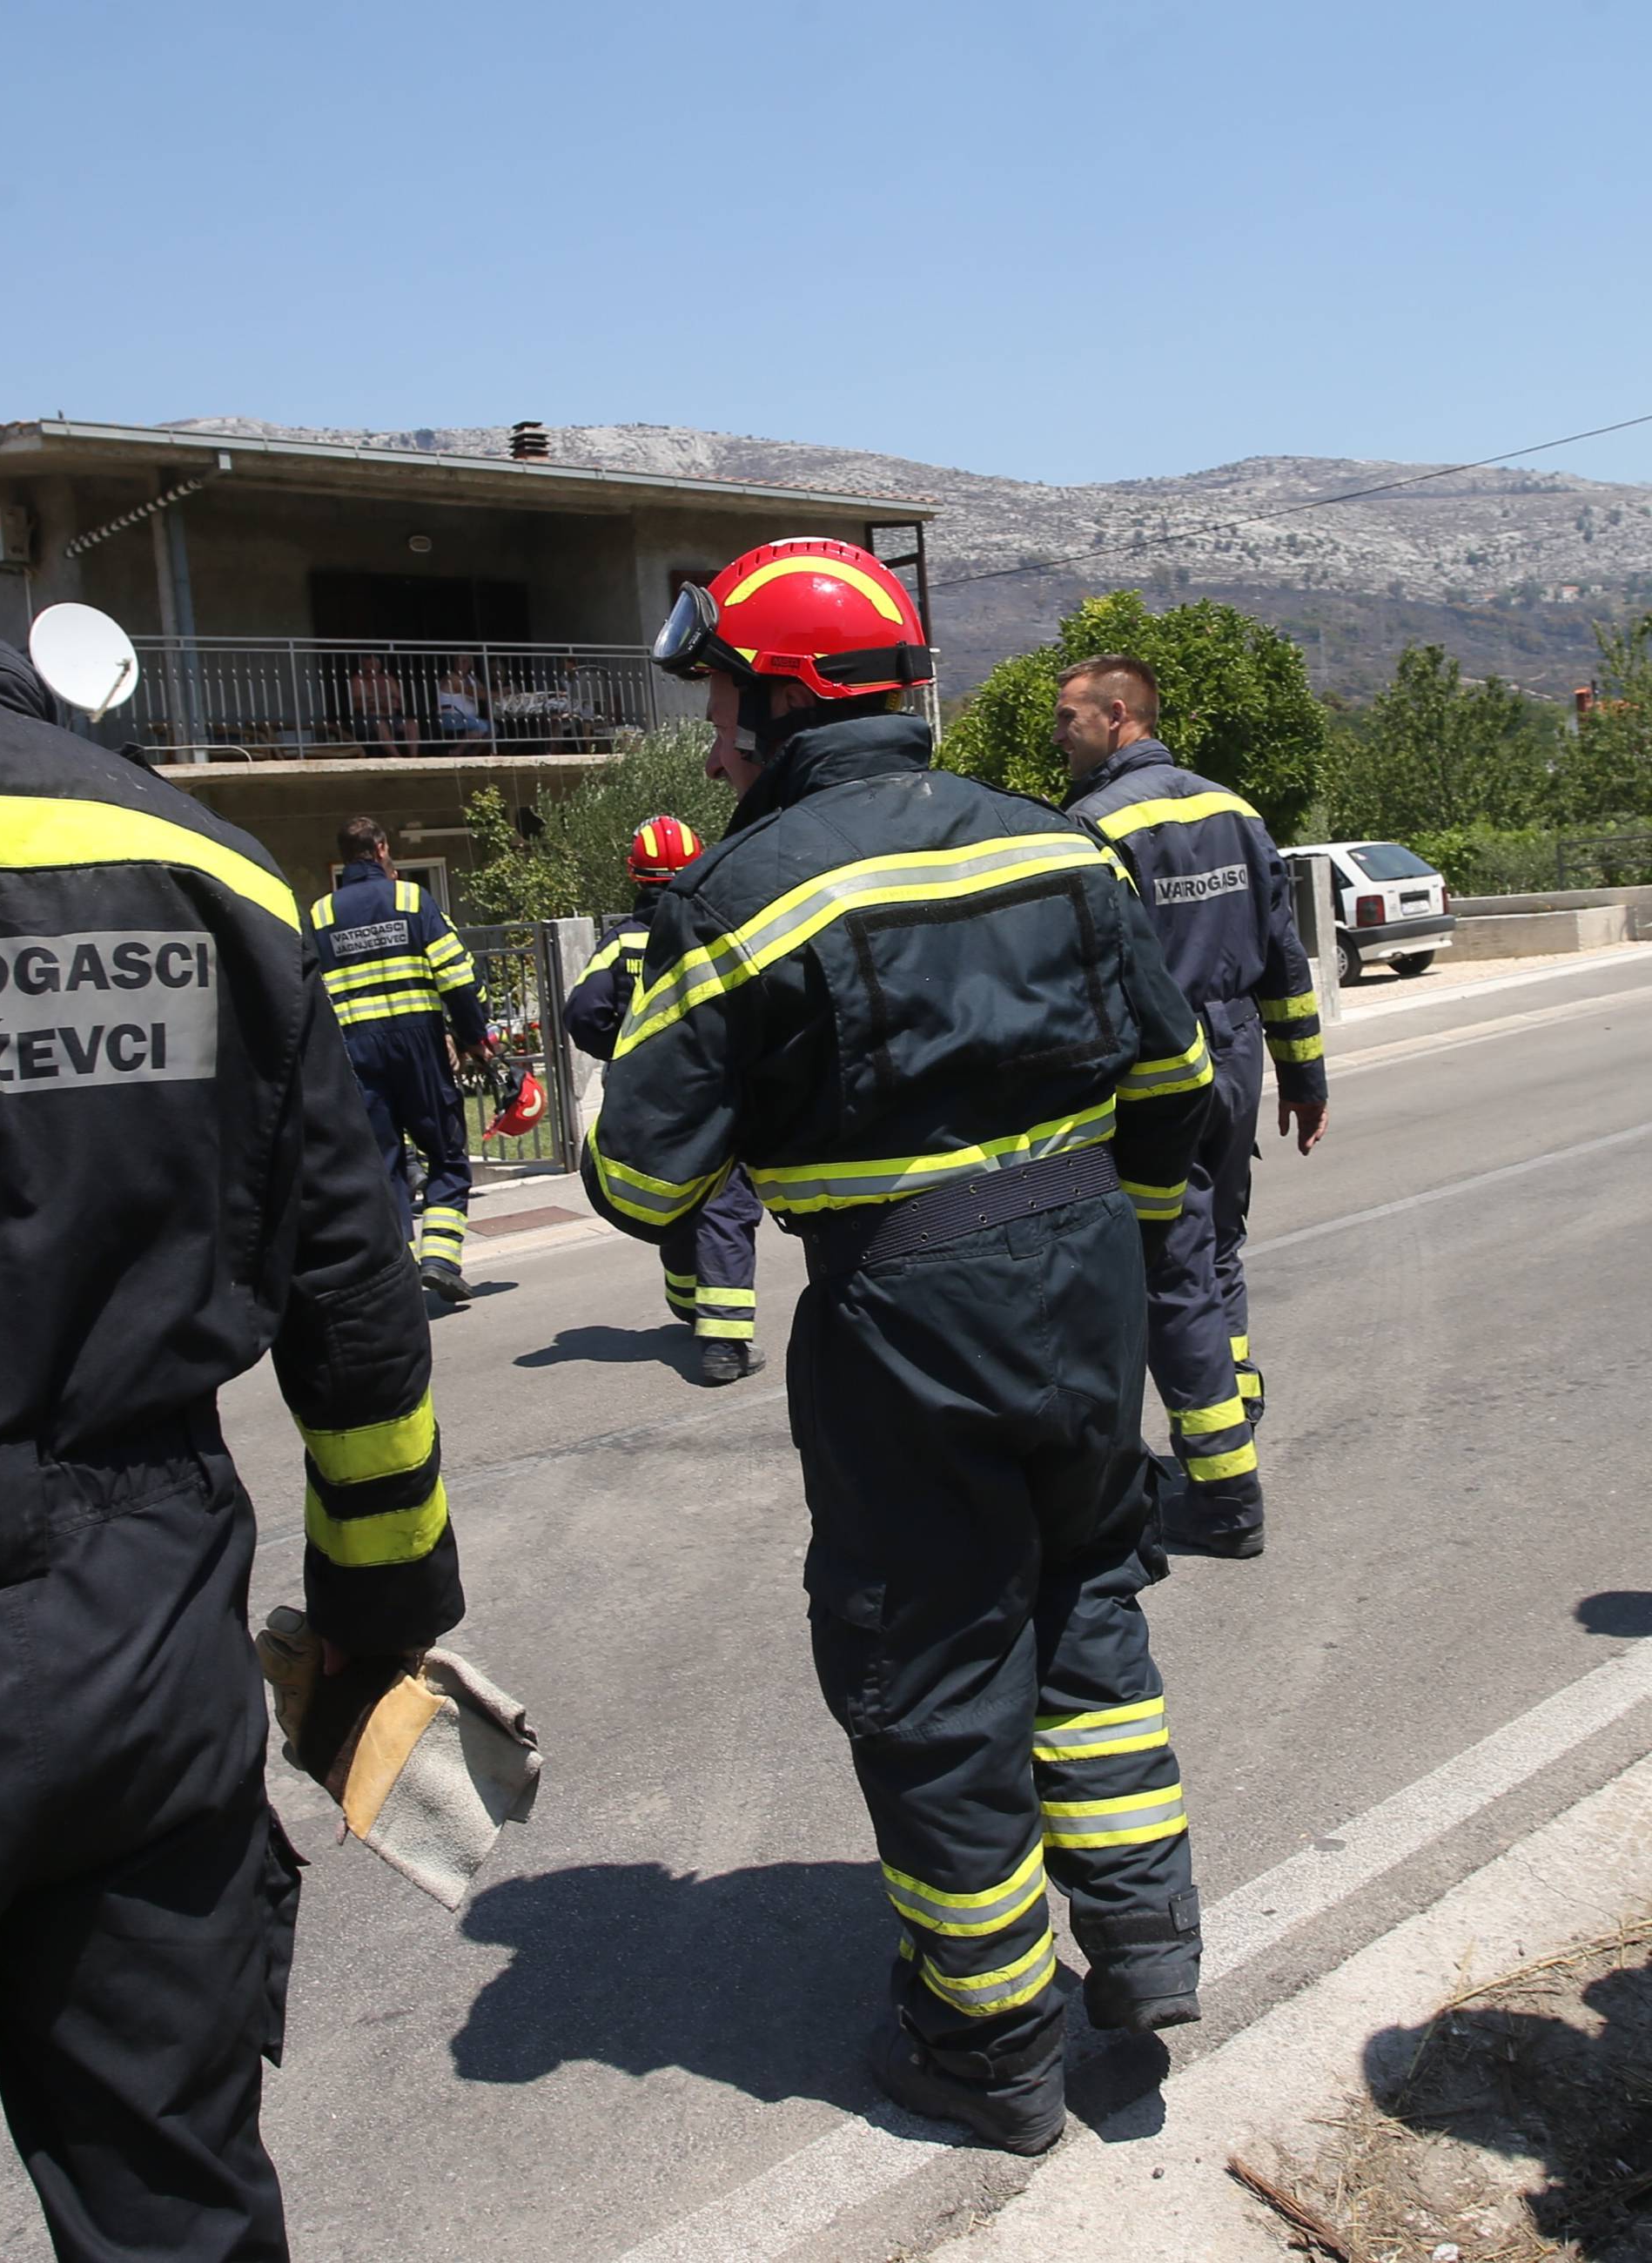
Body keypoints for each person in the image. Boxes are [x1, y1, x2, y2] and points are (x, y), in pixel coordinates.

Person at [581, 541, 1215, 2154]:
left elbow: (638, 1178)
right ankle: (1146, 1941)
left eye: (722, 698)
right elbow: (1178, 1093)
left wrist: (651, 991)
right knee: (1088, 1611)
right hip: (1089, 1298)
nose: (713, 735)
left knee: (930, 1672)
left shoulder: (740, 896)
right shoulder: (1058, 850)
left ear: (784, 703)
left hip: (902, 1324)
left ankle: (990, 2043)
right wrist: (1126, 1272)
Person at [0, 628, 465, 2259]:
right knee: (171, 2195)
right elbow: (356, 1303)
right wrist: (379, 1620)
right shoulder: (197, 864)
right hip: (133, 1637)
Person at [1056, 655, 1329, 1561]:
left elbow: (1085, 986)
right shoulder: (1234, 809)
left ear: (1120, 716)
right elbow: (1284, 959)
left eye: (1069, 718)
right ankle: (1236, 1402)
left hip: (1157, 1074)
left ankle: (1223, 1497)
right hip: (1239, 1054)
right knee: (1216, 1249)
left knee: (1167, 1273)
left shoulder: (1092, 828)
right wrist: (1304, 1076)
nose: (1058, 734)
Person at [563, 815, 765, 1385]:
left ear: (635, 876)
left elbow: (583, 1014)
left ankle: (688, 1300)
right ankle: (724, 1342)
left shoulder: (622, 941)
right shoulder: (715, 931)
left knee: (670, 1192)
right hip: (713, 1092)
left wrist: (626, 1052)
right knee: (725, 1204)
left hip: (648, 1100)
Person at [311, 819, 494, 1306]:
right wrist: (475, 1036)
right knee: (447, 1154)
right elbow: (456, 975)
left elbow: (306, 994)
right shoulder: (412, 900)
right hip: (418, 1046)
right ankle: (438, 1258)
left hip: (355, 1053)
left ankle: (398, 1271)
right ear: (381, 849)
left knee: (382, 1164)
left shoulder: (321, 914)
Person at [348, 652, 420, 756]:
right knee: (380, 724)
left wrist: (397, 705)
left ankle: (414, 758)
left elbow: (401, 701)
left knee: (412, 724)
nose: (368, 668)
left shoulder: (388, 679)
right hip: (367, 719)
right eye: (364, 665)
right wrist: (380, 703)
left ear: (378, 666)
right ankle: (397, 758)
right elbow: (356, 704)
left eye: (371, 665)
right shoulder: (357, 681)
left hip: (392, 717)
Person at [437, 654, 493, 742]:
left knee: (493, 728)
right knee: (482, 726)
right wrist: (499, 693)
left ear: (470, 663)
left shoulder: (471, 678)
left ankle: (473, 753)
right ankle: (456, 752)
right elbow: (474, 693)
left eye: (464, 661)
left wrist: (500, 693)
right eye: (457, 661)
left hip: (469, 718)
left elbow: (484, 694)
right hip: (450, 718)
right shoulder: (451, 678)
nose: (460, 664)